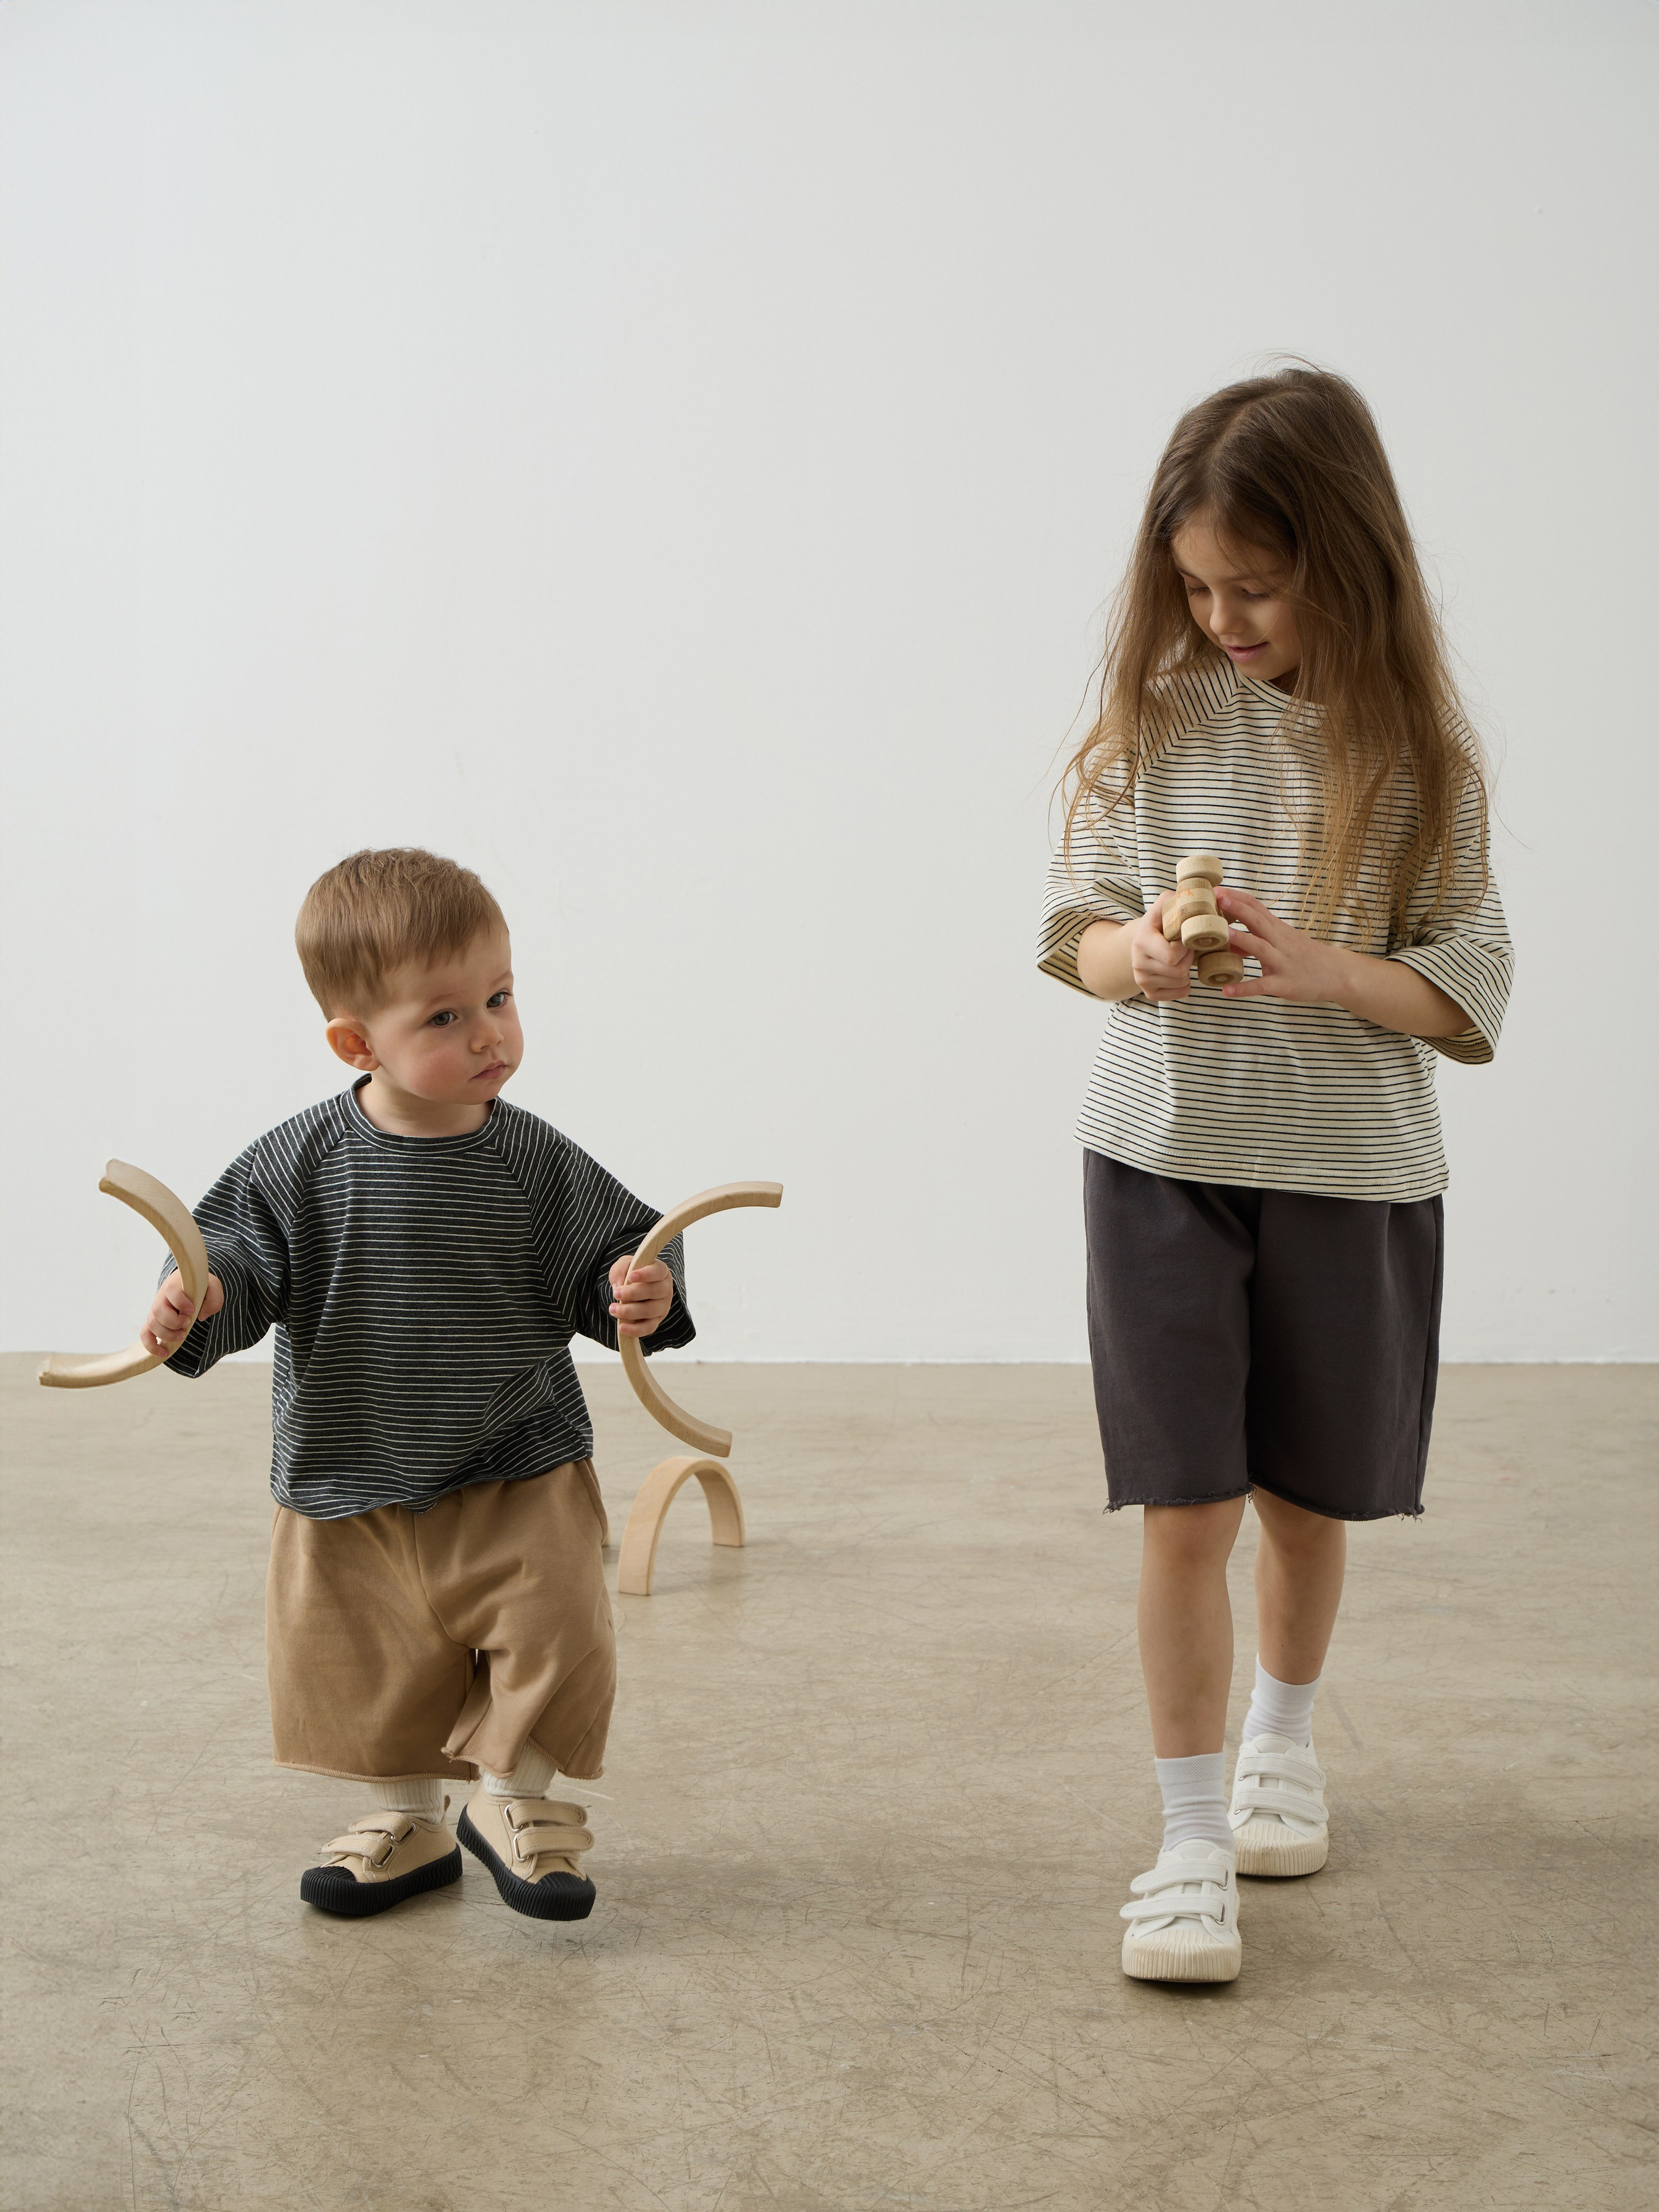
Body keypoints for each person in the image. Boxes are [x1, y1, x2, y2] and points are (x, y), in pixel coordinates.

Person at [1038, 367, 1513, 1984]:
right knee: (1184, 1505)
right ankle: (1182, 1839)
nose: (1220, 615)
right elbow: (1069, 928)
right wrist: (1134, 964)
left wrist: (1323, 967)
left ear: (1347, 557)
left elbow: (1468, 992)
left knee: (1308, 1501)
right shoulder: (1150, 728)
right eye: (1192, 585)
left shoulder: (1421, 753)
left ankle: (1280, 1743)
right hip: (1160, 1163)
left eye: (1254, 583)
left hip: (1349, 1174)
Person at [143, 846, 694, 1921]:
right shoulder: (297, 1161)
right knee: (366, 1658)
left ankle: (513, 1800)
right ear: (357, 1042)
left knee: (558, 1624)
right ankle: (410, 1816)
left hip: (517, 1457)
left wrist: (640, 1288)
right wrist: (193, 1299)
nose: (489, 1031)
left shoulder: (532, 1158)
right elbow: (229, 1260)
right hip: (353, 1470)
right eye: (443, 1018)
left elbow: (616, 1248)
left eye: (499, 996)